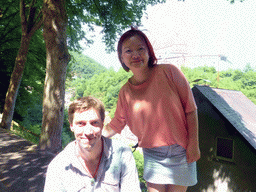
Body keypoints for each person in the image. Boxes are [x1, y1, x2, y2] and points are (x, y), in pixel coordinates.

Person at [103, 28, 200, 192]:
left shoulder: (170, 72)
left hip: (181, 151)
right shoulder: (125, 92)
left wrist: (194, 144)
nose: (136, 54)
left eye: (141, 48)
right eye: (128, 51)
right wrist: (93, 134)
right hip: (153, 154)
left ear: (149, 52)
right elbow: (116, 124)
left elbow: (190, 110)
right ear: (121, 58)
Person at [44, 96, 141, 192]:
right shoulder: (58, 167)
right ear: (71, 126)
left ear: (103, 124)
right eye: (81, 123)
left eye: (94, 123)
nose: (88, 132)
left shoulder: (122, 154)